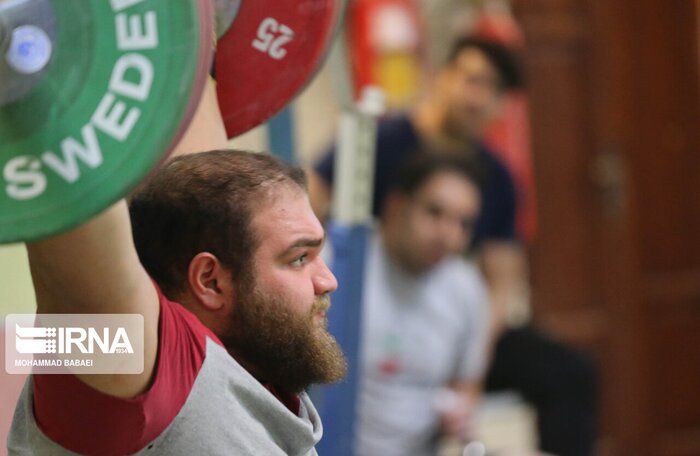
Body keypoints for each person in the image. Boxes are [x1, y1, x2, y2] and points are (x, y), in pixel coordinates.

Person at [8, 80, 347, 455]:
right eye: (299, 258)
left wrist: (199, 30)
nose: (328, 280)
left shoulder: (264, 367)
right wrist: (39, 87)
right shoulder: (147, 371)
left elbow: (193, 178)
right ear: (210, 281)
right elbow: (82, 278)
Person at [309, 35, 598, 456]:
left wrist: (467, 351)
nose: (478, 97)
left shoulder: (498, 180)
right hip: (362, 315)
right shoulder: (382, 142)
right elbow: (307, 203)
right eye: (472, 80)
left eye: (494, 90)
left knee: (571, 371)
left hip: (438, 331)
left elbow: (502, 279)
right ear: (443, 78)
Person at [357, 154, 490, 456]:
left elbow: (467, 384)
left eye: (464, 223)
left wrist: (459, 414)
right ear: (396, 206)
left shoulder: (467, 288)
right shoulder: (337, 270)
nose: (448, 234)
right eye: (434, 212)